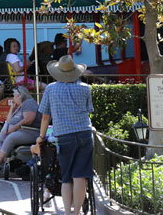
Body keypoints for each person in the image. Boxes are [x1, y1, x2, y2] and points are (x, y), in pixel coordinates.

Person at [36, 56, 94, 215]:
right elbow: (88, 111)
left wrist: (41, 137)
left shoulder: (50, 89)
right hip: (84, 134)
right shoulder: (85, 88)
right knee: (80, 177)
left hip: (64, 137)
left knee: (67, 177)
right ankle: (77, 213)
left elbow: (45, 117)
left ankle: (67, 213)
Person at [0, 86, 41, 169]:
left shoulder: (29, 103)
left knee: (11, 138)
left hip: (31, 131)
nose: (13, 98)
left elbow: (29, 119)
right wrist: (12, 108)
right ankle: (0, 161)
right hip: (22, 131)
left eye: (14, 95)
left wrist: (14, 127)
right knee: (0, 137)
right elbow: (9, 120)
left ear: (19, 96)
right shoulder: (19, 107)